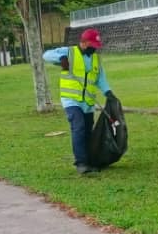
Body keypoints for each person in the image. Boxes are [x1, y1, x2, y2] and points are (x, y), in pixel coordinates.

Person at [43, 29, 113, 174]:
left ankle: (89, 161)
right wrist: (61, 58)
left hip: (87, 102)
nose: (94, 48)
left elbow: (100, 78)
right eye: (92, 45)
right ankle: (80, 163)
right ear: (84, 42)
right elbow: (46, 55)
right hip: (71, 100)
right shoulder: (69, 52)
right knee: (78, 127)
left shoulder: (95, 58)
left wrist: (108, 92)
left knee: (88, 131)